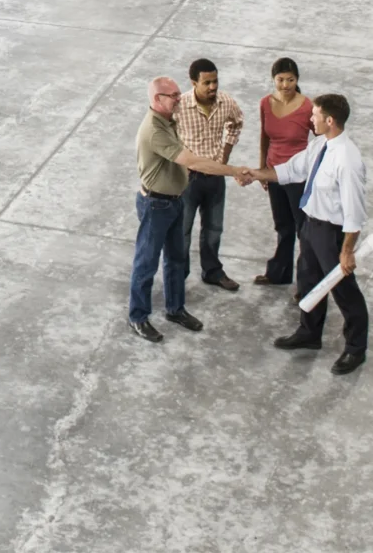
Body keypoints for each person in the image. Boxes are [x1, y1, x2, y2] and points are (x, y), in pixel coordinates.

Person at [128, 75, 256, 342]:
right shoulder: (154, 130)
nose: (179, 98)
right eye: (173, 95)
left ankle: (175, 309)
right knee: (146, 263)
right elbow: (192, 161)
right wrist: (233, 171)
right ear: (156, 99)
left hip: (174, 201)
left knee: (176, 259)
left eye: (178, 93)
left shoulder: (169, 119)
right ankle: (138, 316)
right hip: (156, 205)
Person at [274, 92, 370, 374]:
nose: (310, 118)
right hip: (311, 226)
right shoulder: (320, 145)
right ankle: (309, 332)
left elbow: (355, 211)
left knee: (344, 292)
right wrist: (256, 174)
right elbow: (294, 169)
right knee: (308, 279)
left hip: (332, 234)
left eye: (314, 114)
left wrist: (347, 251)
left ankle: (355, 349)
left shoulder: (347, 159)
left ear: (329, 120)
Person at [173, 58, 246, 293]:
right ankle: (178, 275)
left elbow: (236, 123)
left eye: (215, 81)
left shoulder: (225, 102)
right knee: (182, 230)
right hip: (187, 179)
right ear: (194, 82)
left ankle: (212, 271)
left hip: (215, 177)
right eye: (207, 83)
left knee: (214, 227)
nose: (213, 87)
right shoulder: (180, 106)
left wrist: (224, 156)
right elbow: (166, 136)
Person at [252, 58, 313, 287]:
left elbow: (320, 142)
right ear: (273, 79)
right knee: (282, 225)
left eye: (290, 80)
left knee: (303, 229)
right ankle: (279, 273)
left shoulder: (308, 107)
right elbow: (264, 137)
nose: (285, 85)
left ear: (297, 80)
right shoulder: (265, 103)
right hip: (274, 172)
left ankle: (306, 283)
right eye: (280, 80)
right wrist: (262, 169)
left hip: (298, 175)